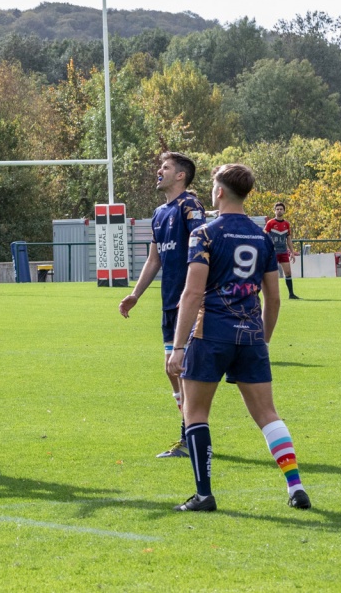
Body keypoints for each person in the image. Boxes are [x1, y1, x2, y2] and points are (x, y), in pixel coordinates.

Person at [166, 164, 310, 512]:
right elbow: (273, 299)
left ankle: (204, 495)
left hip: (210, 334)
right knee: (268, 414)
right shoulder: (262, 237)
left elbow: (192, 293)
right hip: (251, 336)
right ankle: (296, 486)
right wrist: (264, 340)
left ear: (219, 192)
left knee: (195, 413)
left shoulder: (205, 233)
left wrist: (179, 346)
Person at [118, 152, 205, 458]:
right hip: (169, 301)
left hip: (189, 300)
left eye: (165, 167)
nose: (159, 171)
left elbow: (203, 248)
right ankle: (191, 430)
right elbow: (154, 259)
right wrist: (135, 294)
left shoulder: (190, 206)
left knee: (183, 368)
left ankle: (190, 437)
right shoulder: (159, 213)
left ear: (180, 175)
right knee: (171, 368)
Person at [264, 203, 300, 300]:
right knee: (271, 274)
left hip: (283, 252)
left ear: (284, 211)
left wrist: (292, 252)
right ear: (275, 211)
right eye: (277, 209)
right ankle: (269, 295)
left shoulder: (286, 224)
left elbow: (288, 239)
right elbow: (264, 236)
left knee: (288, 272)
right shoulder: (270, 223)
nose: (279, 210)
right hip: (273, 252)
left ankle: (291, 294)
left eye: (281, 209)